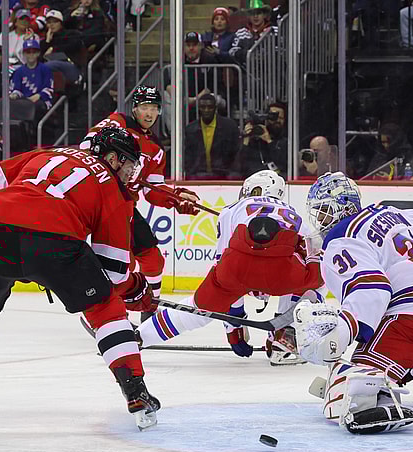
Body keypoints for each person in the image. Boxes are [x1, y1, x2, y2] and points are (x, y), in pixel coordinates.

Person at [0, 127, 161, 431]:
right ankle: (136, 392)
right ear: (112, 158)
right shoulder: (112, 189)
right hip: (55, 239)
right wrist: (136, 290)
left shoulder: (49, 153)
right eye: (128, 164)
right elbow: (113, 272)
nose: (131, 173)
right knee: (105, 310)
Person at [293, 172, 413, 434]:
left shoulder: (341, 238)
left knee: (356, 381)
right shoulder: (388, 211)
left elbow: (371, 289)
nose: (321, 220)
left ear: (343, 207)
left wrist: (342, 332)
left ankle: (372, 395)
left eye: (325, 211)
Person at [136, 170, 323, 362]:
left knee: (197, 310)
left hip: (237, 269)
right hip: (281, 274)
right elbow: (313, 251)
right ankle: (284, 341)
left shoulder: (231, 209)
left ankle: (137, 338)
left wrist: (233, 324)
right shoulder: (294, 215)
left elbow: (224, 260)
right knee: (314, 282)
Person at [82, 85, 200, 317]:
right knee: (119, 265)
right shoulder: (117, 123)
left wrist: (177, 199)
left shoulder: (156, 149)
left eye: (154, 108)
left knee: (153, 260)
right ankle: (108, 311)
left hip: (125, 207)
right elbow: (87, 146)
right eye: (145, 107)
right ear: (134, 108)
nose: (149, 113)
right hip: (101, 201)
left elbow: (154, 191)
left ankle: (149, 308)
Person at [183, 92, 240, 179]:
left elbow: (236, 152)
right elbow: (188, 156)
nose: (206, 110)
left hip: (224, 174)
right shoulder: (190, 129)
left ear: (215, 108)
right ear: (199, 108)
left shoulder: (229, 127)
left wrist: (231, 173)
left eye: (210, 107)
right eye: (203, 107)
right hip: (197, 175)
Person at [239, 101, 288, 177]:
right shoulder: (253, 141)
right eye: (273, 117)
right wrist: (246, 139)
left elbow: (283, 164)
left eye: (281, 118)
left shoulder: (287, 142)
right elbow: (238, 167)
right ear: (267, 118)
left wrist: (269, 141)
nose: (277, 121)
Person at [9, 38, 53, 121]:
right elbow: (16, 89)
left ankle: (34, 132)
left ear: (38, 53)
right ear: (24, 54)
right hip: (23, 102)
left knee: (36, 106)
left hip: (42, 101)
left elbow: (49, 89)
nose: (31, 55)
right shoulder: (18, 71)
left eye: (34, 52)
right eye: (28, 52)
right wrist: (15, 95)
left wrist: (39, 95)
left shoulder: (45, 69)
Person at [228, 2, 274, 66]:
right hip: (246, 70)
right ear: (249, 16)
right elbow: (232, 51)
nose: (255, 16)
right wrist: (246, 54)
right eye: (252, 14)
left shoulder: (273, 31)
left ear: (264, 15)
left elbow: (280, 51)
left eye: (258, 13)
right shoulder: (241, 32)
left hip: (269, 70)